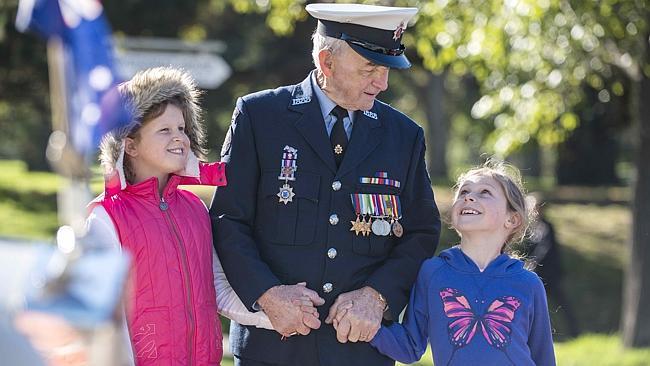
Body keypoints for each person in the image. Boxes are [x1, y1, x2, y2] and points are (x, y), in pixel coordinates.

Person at [210, 3, 441, 365]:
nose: (383, 83)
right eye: (370, 69)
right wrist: (267, 295)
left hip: (361, 350)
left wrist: (376, 296)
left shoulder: (404, 136)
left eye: (387, 71)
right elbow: (227, 220)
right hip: (272, 347)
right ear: (326, 62)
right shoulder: (259, 117)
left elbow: (422, 232)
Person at [85, 67, 272, 365]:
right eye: (164, 130)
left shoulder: (195, 209)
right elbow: (104, 319)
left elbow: (218, 289)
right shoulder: (106, 218)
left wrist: (276, 315)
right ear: (129, 145)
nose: (179, 139)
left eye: (182, 129)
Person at [370, 160, 556, 366]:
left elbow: (544, 358)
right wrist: (365, 326)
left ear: (512, 220)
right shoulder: (433, 273)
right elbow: (409, 346)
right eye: (464, 191)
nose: (468, 197)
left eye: (485, 192)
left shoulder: (528, 283)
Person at [524, 194, 579, 338]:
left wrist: (534, 262)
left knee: (561, 303)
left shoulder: (546, 227)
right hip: (538, 275)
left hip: (550, 274)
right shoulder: (531, 229)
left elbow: (545, 248)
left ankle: (574, 332)